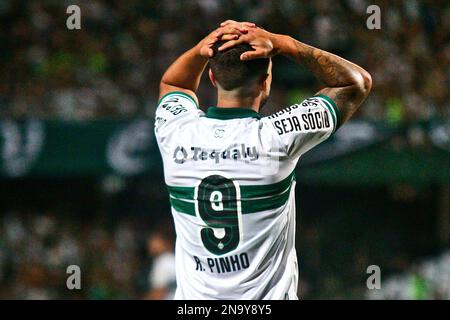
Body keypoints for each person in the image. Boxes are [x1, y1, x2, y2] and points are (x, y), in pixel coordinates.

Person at [154, 20, 371, 299]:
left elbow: (173, 82)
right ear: (265, 80)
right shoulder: (277, 137)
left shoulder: (176, 132)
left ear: (212, 78)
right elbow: (356, 83)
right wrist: (283, 43)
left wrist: (202, 48)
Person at [145, 226, 176, 300]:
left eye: (155, 240)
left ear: (165, 242)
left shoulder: (163, 261)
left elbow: (158, 294)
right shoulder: (174, 259)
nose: (150, 243)